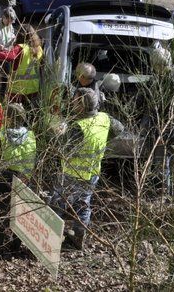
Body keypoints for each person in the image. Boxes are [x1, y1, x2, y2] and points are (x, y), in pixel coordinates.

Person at [50, 88, 124, 249]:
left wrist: (59, 133)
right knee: (83, 205)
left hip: (72, 174)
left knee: (57, 205)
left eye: (75, 101)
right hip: (92, 172)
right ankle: (77, 239)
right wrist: (104, 139)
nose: (72, 102)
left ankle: (49, 239)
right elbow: (120, 129)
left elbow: (62, 148)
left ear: (81, 105)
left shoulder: (78, 128)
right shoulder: (104, 118)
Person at [139, 47, 174, 196]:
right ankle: (157, 193)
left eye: (154, 65)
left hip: (166, 134)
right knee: (158, 165)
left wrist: (163, 136)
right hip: (157, 131)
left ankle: (161, 197)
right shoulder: (160, 79)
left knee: (163, 166)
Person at [0, 103, 36, 251]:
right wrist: (27, 176)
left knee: (0, 212)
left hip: (4, 178)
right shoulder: (31, 136)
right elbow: (32, 159)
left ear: (8, 118)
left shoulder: (2, 136)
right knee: (20, 212)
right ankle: (16, 245)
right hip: (23, 178)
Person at [0, 24, 43, 104]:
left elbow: (9, 56)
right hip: (34, 87)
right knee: (30, 111)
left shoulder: (20, 47)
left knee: (15, 112)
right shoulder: (39, 48)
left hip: (18, 88)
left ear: (19, 35)